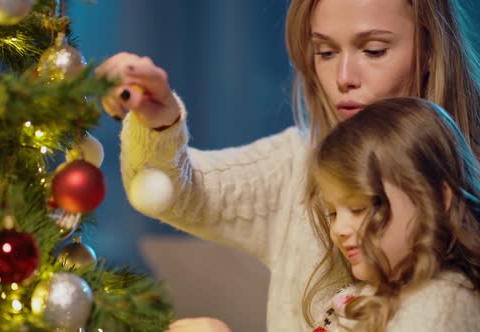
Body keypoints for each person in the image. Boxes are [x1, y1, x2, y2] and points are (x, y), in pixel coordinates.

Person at [95, 0, 480, 330]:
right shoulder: (295, 163)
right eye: (325, 52)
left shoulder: (445, 299)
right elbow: (168, 192)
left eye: (374, 50)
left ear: (430, 48)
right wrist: (156, 120)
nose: (343, 78)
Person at [304, 97, 480, 331]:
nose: (338, 229)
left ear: (437, 198)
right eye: (333, 213)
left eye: (358, 208)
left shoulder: (440, 306)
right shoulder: (362, 296)